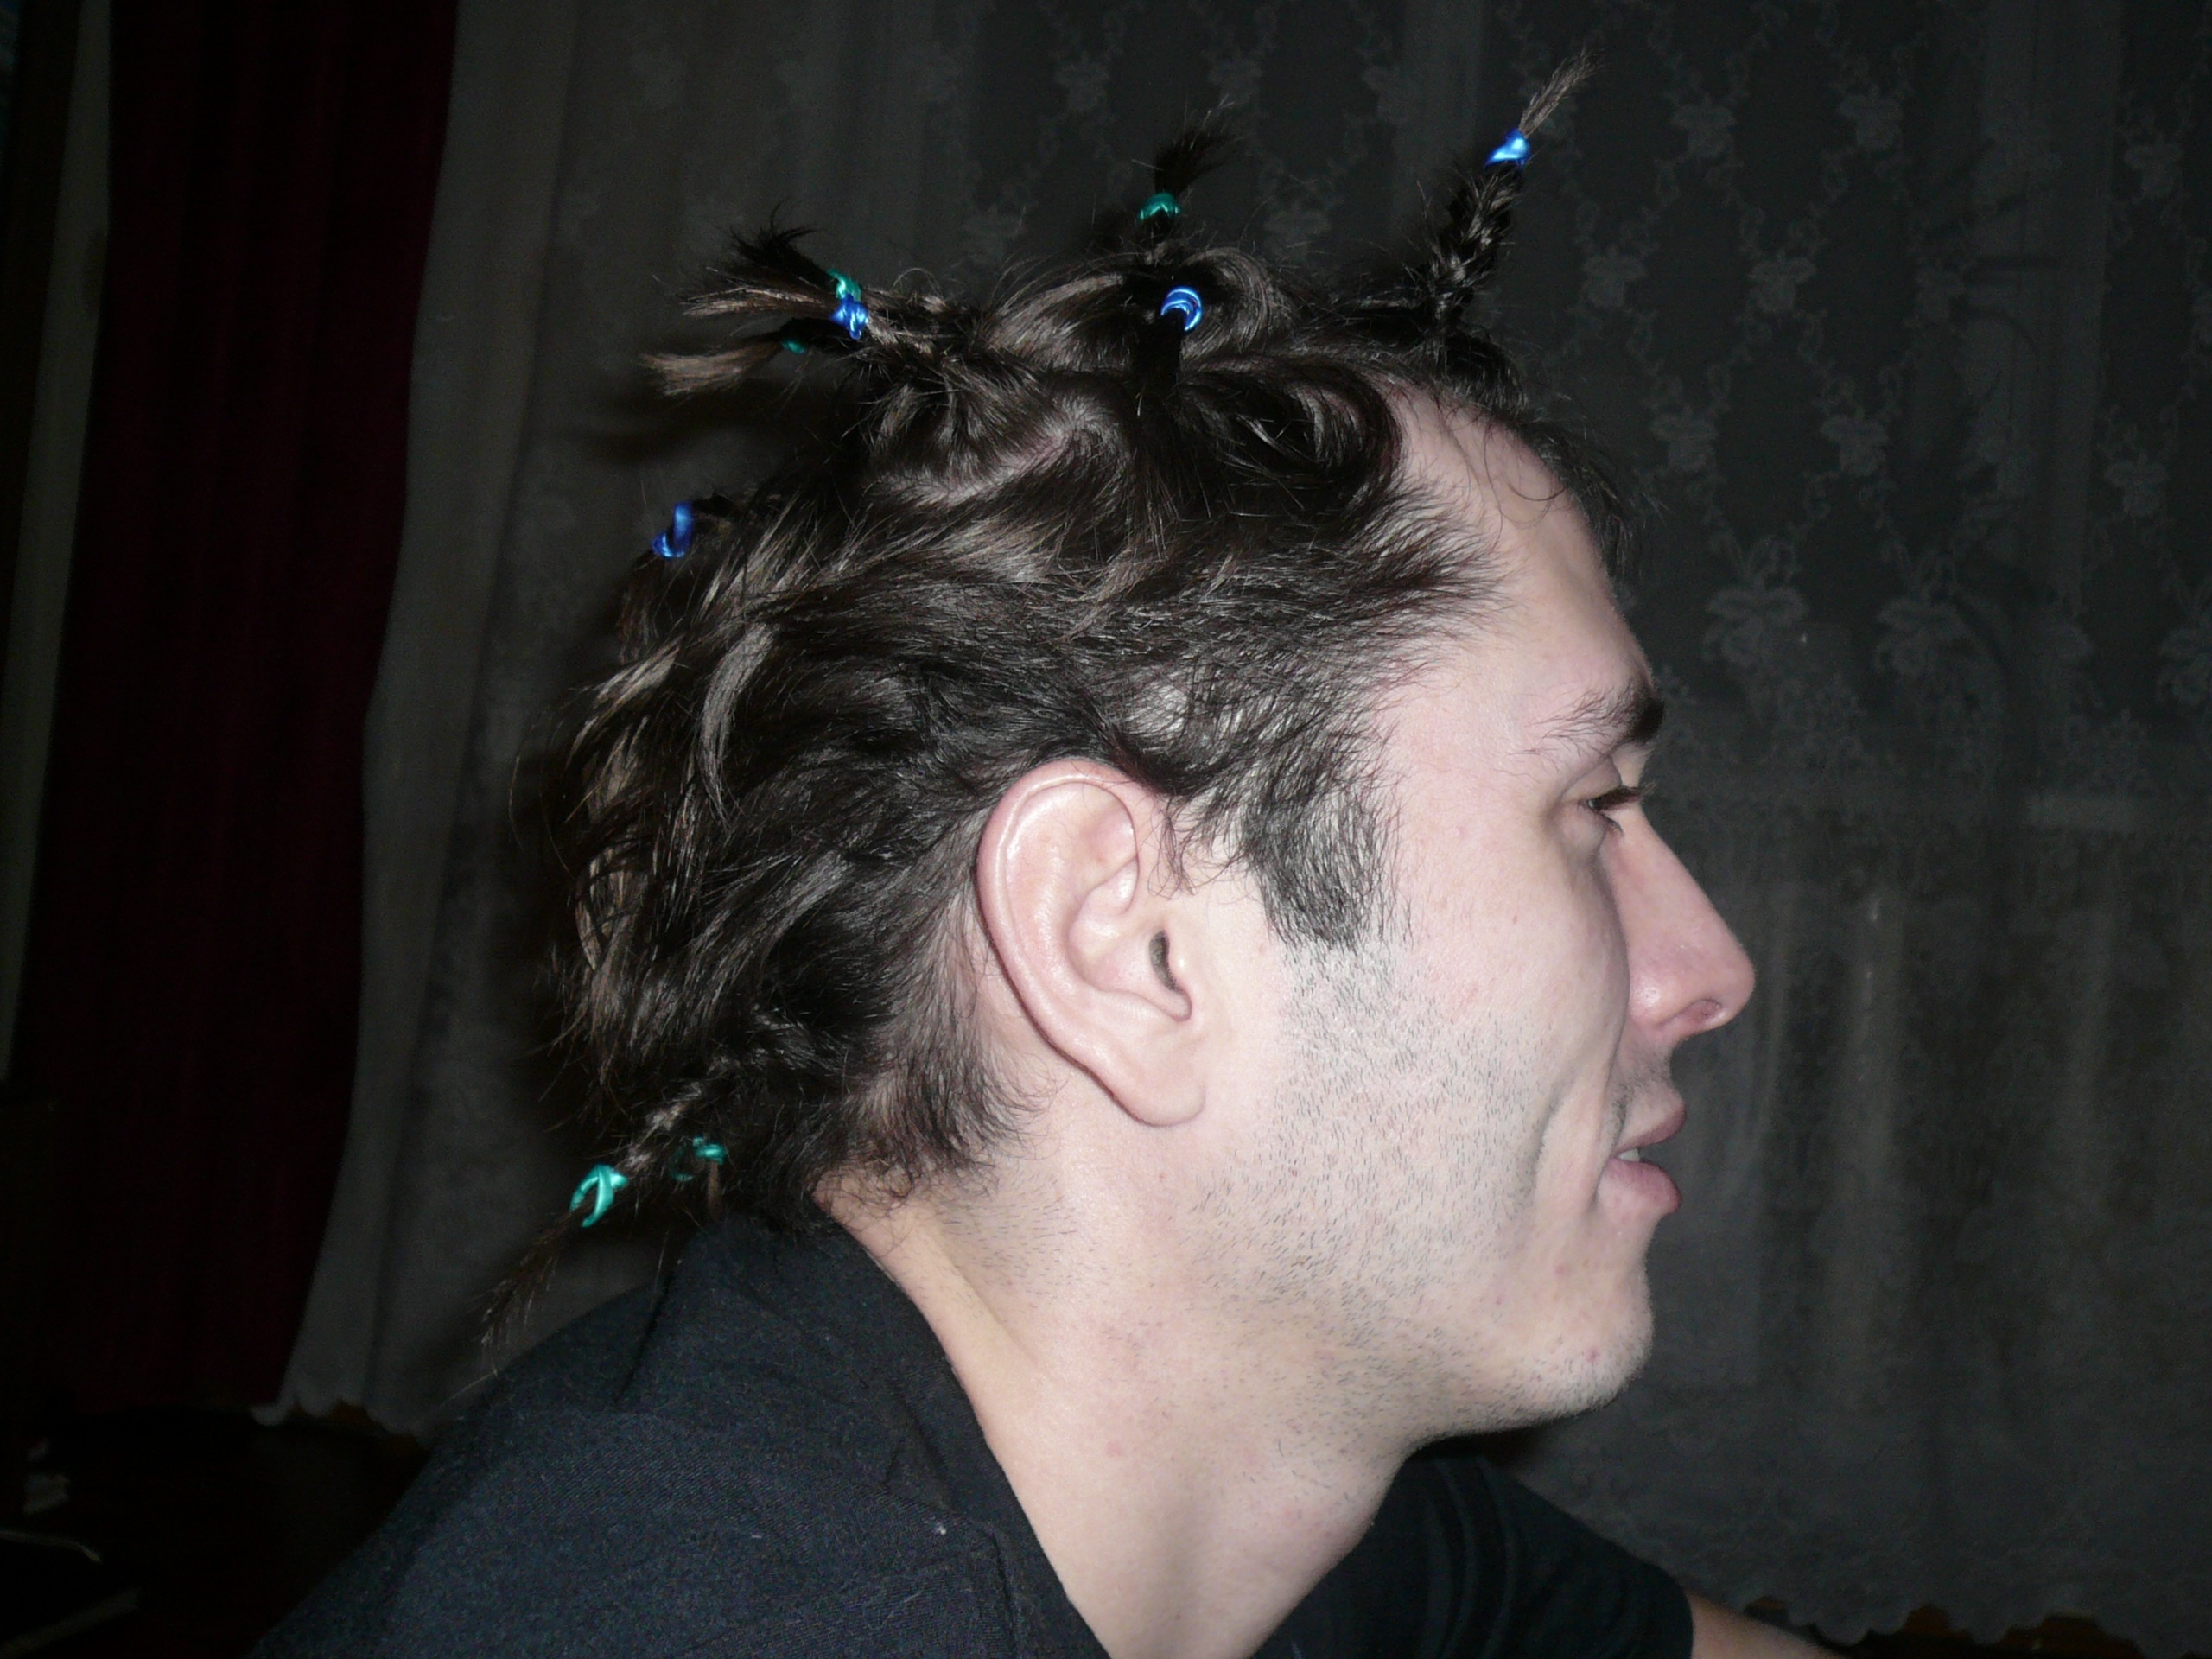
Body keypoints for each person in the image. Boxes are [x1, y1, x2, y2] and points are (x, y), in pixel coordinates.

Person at [261, 65, 1821, 1659]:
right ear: (1123, 940)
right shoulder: (727, 1614)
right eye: (1593, 808)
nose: (1710, 970)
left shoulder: (1273, 1490)